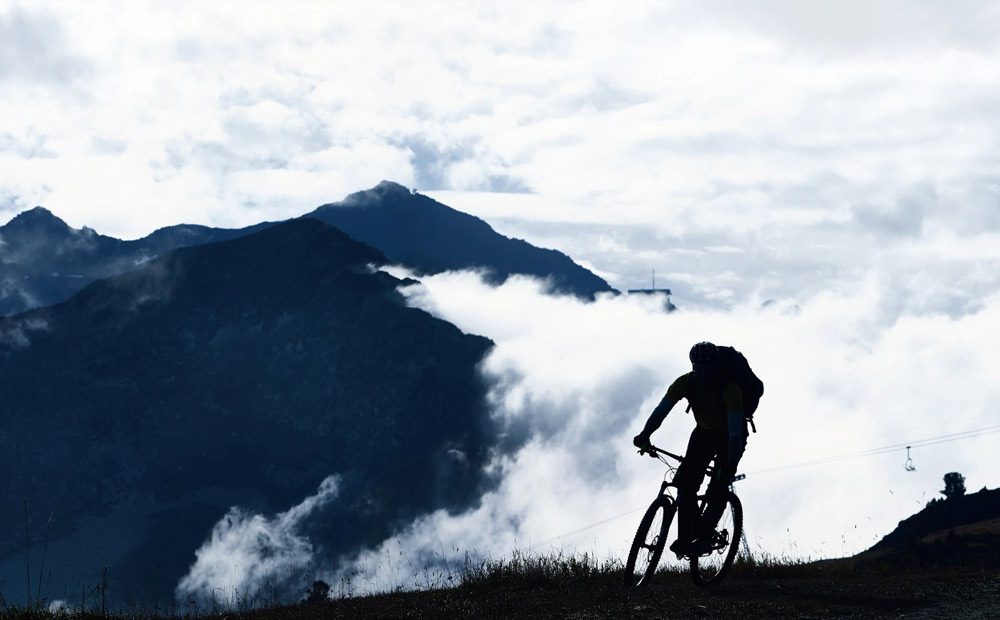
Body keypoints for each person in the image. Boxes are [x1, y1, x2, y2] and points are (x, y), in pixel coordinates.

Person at [632, 341, 748, 558]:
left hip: (730, 437)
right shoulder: (685, 383)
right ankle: (689, 534)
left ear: (716, 366)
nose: (703, 371)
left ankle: (705, 538)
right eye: (699, 366)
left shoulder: (730, 390)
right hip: (703, 433)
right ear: (693, 366)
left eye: (708, 366)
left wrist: (731, 462)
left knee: (718, 486)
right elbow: (661, 412)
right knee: (685, 484)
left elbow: (734, 432)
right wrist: (645, 434)